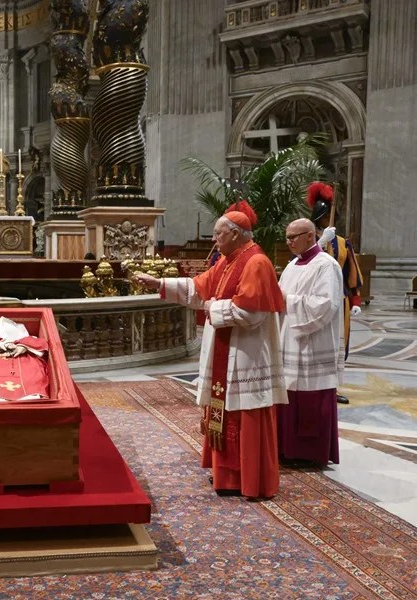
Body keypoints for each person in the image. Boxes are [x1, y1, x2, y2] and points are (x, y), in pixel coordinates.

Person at [135, 201, 287, 499]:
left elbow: (251, 313)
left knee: (244, 412)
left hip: (246, 353)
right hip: (226, 350)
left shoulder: (255, 262)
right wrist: (159, 283)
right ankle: (227, 475)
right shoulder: (229, 260)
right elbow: (198, 287)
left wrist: (212, 308)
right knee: (224, 409)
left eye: (218, 234)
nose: (214, 239)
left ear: (235, 233)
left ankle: (248, 478)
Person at [277, 218, 344, 467]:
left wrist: (286, 300)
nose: (289, 242)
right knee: (289, 397)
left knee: (309, 399)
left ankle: (310, 453)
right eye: (287, 237)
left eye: (294, 237)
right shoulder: (293, 264)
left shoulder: (327, 266)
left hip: (313, 342)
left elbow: (325, 304)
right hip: (289, 338)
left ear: (310, 235)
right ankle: (286, 448)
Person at [307, 181, 363, 404]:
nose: (326, 218)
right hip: (315, 300)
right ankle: (314, 385)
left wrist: (356, 300)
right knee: (318, 342)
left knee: (339, 344)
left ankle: (333, 387)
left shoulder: (342, 243)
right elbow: (300, 264)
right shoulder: (309, 240)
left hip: (340, 301)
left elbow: (352, 272)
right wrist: (320, 242)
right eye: (324, 215)